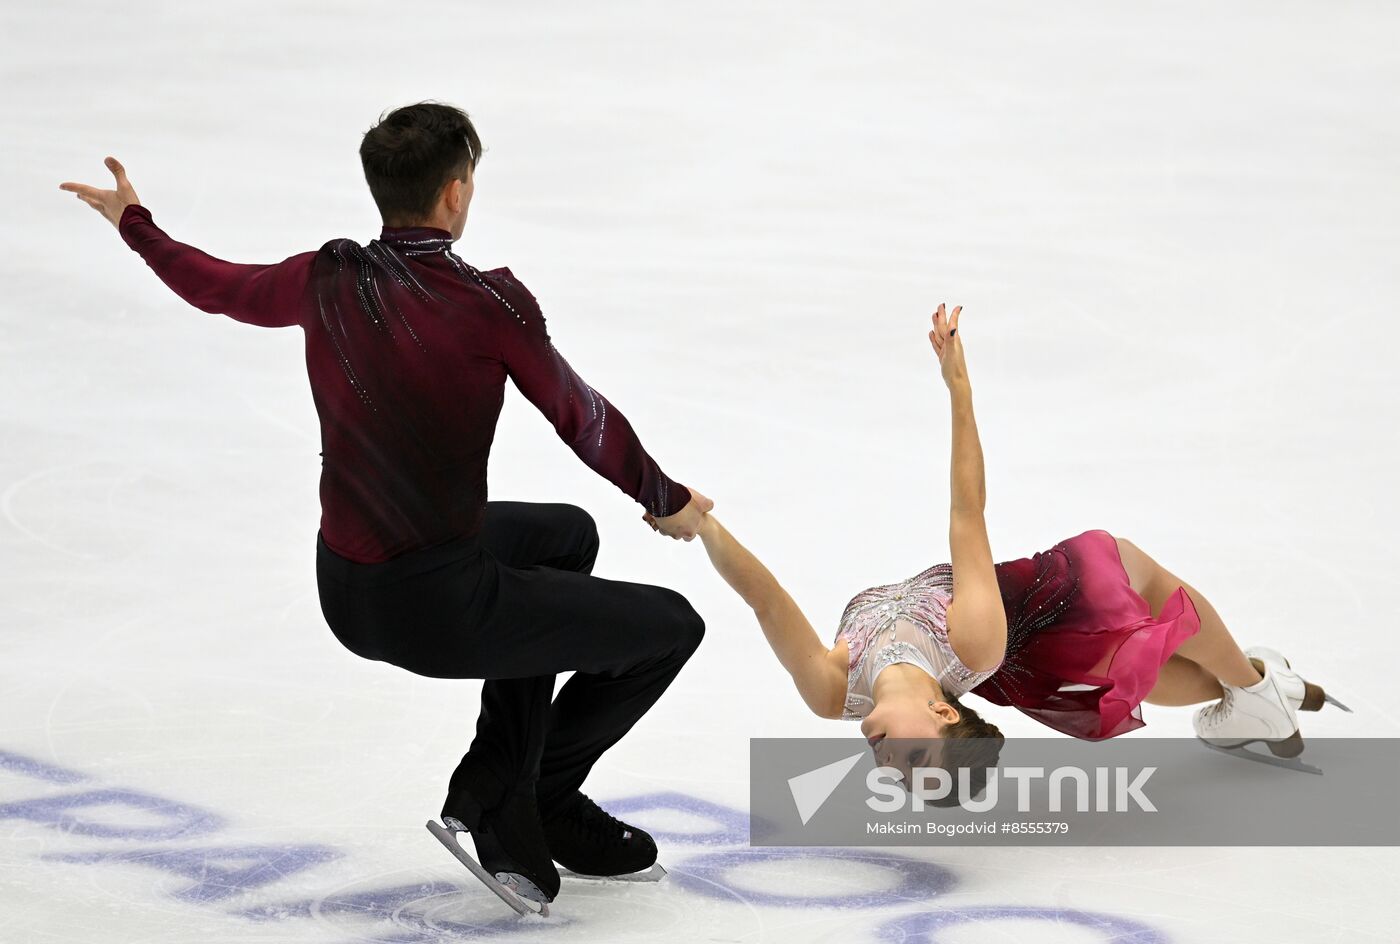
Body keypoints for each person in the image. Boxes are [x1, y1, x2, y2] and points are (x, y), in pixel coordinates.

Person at [60, 101, 711, 908]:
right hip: (439, 605)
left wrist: (136, 223)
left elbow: (217, 287)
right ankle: (534, 797)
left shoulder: (327, 277)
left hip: (349, 590)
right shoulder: (488, 305)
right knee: (672, 628)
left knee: (563, 536)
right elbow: (582, 416)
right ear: (455, 194)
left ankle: (502, 789)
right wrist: (665, 498)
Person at [687, 303, 1343, 791]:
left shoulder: (832, 691)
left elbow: (765, 601)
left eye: (897, 776)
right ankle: (1254, 687)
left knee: (1125, 673)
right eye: (916, 761)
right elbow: (966, 515)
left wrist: (704, 526)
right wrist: (960, 392)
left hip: (1012, 666)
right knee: (1126, 569)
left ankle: (1260, 687)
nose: (888, 764)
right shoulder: (969, 638)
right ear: (944, 710)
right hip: (1029, 615)